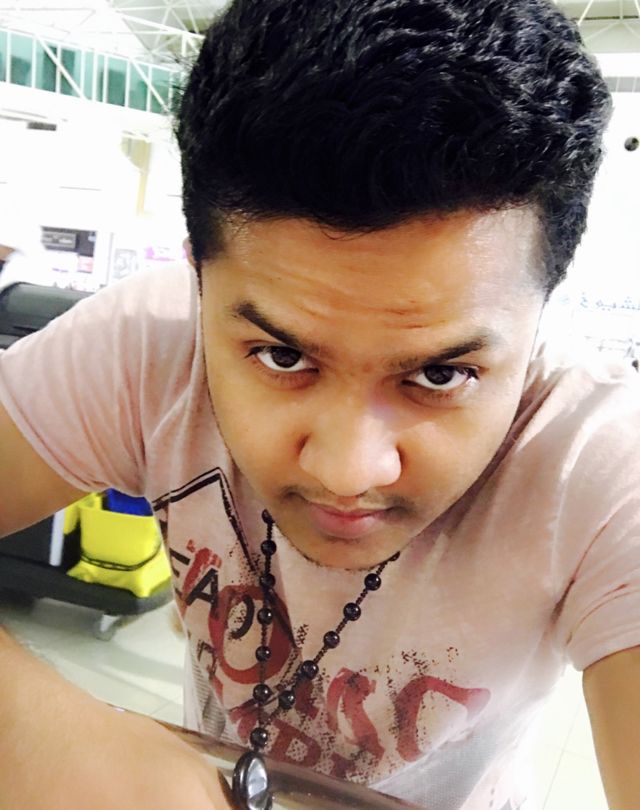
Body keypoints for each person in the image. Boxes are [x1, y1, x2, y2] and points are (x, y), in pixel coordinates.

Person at [0, 1, 638, 809]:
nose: (347, 469)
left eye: (441, 375)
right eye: (283, 356)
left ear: (543, 309)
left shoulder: (599, 456)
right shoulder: (148, 346)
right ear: (199, 280)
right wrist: (37, 734)